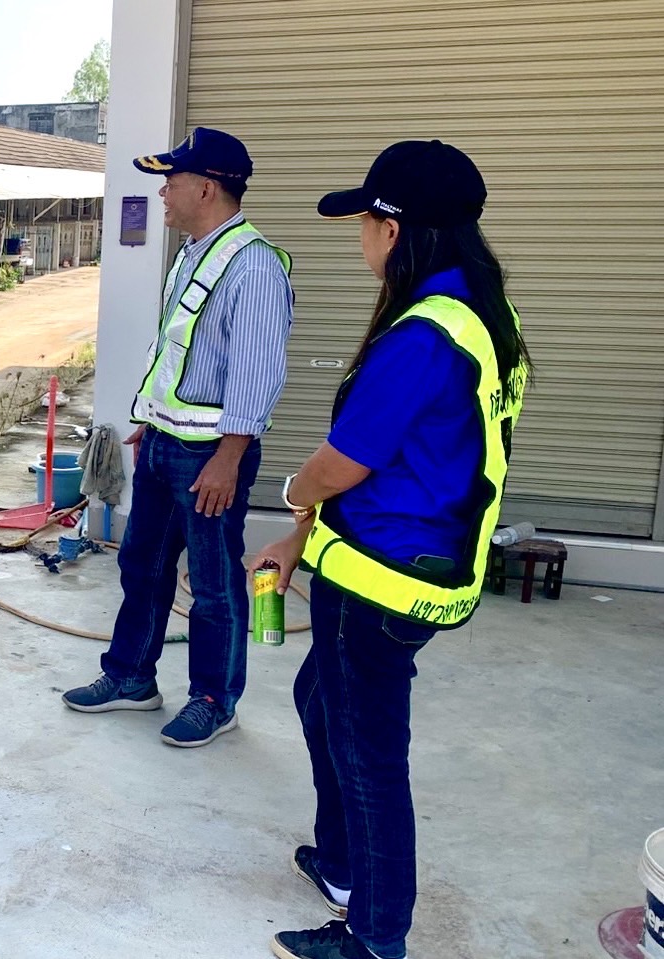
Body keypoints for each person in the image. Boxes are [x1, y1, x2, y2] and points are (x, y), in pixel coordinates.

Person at [253, 141, 529, 959]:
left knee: (367, 753)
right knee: (319, 698)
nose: (361, 238)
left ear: (395, 230)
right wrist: (303, 538)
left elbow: (345, 461)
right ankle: (342, 865)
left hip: (379, 581)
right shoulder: (482, 315)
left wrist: (295, 497)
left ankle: (374, 935)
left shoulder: (423, 335)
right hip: (417, 562)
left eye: (366, 222)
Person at [61, 127, 293, 747]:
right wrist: (152, 417)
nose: (162, 192)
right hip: (165, 443)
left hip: (210, 456)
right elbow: (179, 353)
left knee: (213, 585)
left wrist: (229, 457)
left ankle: (215, 700)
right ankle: (131, 677)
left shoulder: (254, 266)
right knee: (143, 565)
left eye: (172, 180)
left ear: (207, 188)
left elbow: (256, 372)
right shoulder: (193, 253)